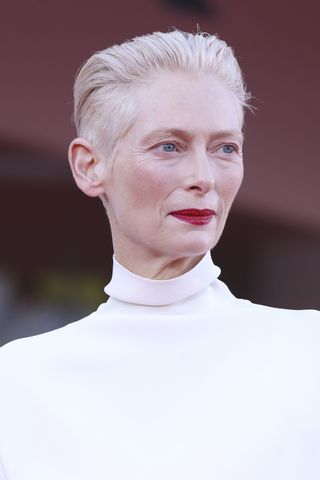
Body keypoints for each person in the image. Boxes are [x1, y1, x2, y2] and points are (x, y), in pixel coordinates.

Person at [0, 30, 319, 480]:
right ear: (90, 166)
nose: (203, 177)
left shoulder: (308, 352)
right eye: (169, 146)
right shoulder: (18, 383)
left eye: (225, 148)